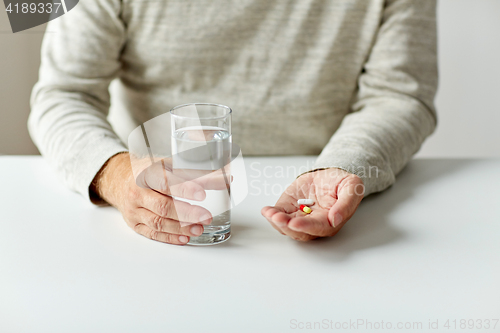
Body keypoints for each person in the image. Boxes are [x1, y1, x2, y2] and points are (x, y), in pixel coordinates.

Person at [29, 0, 437, 245]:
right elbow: (64, 94)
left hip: (328, 205)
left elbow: (398, 95)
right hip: (161, 212)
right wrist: (114, 174)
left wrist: (343, 167)